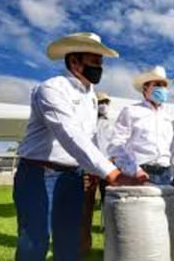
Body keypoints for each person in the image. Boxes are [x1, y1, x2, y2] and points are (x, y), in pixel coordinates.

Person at [13, 32, 139, 261]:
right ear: (74, 61)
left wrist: (92, 168)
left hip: (72, 177)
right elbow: (69, 134)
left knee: (69, 241)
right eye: (94, 61)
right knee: (34, 240)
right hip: (38, 174)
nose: (99, 68)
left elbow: (89, 138)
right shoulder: (51, 89)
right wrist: (112, 174)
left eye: (101, 63)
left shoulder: (90, 96)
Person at [108, 65, 174, 185]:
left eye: (164, 85)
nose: (162, 88)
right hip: (139, 173)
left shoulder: (169, 119)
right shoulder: (131, 111)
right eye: (157, 84)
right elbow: (116, 145)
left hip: (165, 174)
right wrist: (134, 170)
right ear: (145, 88)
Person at [80, 91, 114, 253]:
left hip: (109, 169)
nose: (104, 105)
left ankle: (110, 246)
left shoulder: (113, 124)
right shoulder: (86, 123)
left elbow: (117, 146)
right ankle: (84, 245)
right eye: (101, 102)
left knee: (111, 207)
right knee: (85, 208)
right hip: (89, 169)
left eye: (106, 102)